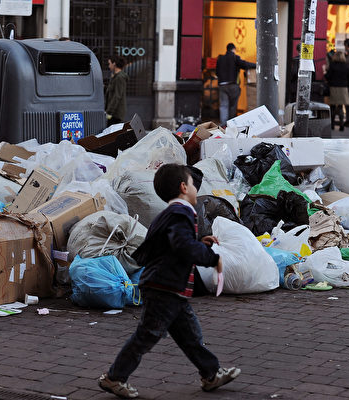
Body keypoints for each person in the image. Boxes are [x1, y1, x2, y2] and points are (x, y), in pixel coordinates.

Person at [97, 164, 240, 398]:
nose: (195, 188)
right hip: (165, 287)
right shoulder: (181, 213)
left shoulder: (168, 214)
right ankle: (114, 377)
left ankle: (211, 374)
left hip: (171, 288)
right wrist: (211, 258)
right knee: (148, 335)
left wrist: (200, 243)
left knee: (191, 335)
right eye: (193, 184)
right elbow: (182, 246)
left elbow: (171, 245)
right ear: (184, 187)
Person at [215, 43, 256, 126]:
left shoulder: (220, 59)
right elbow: (245, 65)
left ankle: (223, 125)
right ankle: (231, 124)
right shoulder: (235, 57)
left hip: (222, 85)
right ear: (233, 49)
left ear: (227, 49)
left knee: (223, 105)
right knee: (233, 106)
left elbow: (217, 72)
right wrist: (256, 65)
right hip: (233, 85)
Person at [324, 51, 349, 131]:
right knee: (340, 107)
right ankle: (341, 125)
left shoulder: (332, 65)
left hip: (333, 88)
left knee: (332, 107)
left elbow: (328, 77)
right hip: (343, 89)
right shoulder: (346, 66)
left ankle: (332, 125)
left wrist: (324, 71)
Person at [105, 56, 128, 126]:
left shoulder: (119, 77)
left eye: (109, 64)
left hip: (115, 113)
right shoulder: (116, 76)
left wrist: (109, 111)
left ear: (114, 64)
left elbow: (117, 96)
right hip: (114, 112)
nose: (109, 66)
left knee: (112, 134)